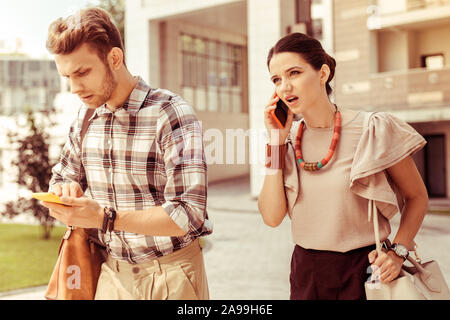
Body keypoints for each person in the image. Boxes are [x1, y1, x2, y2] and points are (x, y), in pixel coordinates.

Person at [42, 8, 212, 300]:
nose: (74, 88)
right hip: (112, 276)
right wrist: (63, 191)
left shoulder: (171, 113)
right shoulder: (84, 118)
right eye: (67, 76)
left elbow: (189, 213)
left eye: (82, 72)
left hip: (171, 275)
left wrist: (106, 218)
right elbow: (62, 176)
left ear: (114, 58)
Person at [258, 33, 429, 300]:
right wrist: (275, 142)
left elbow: (417, 197)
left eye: (294, 73)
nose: (285, 87)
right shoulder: (286, 141)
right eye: (276, 79)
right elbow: (271, 217)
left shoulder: (372, 128)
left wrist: (398, 252)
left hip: (366, 270)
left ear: (323, 73)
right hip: (306, 273)